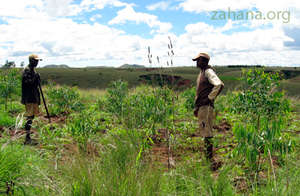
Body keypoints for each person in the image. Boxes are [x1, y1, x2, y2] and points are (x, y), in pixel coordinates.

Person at [193, 53, 224, 165]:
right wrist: (197, 107)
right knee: (204, 131)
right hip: (202, 107)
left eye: (198, 60)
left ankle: (210, 160)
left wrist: (209, 98)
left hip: (206, 107)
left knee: (207, 133)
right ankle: (207, 159)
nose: (196, 63)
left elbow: (219, 84)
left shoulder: (208, 72)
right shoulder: (202, 73)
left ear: (204, 61)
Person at [21, 54, 42, 145]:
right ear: (31, 61)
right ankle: (27, 138)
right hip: (29, 97)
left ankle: (28, 137)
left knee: (32, 117)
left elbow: (35, 85)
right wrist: (35, 78)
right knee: (29, 117)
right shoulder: (27, 71)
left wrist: (37, 79)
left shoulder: (33, 70)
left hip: (33, 97)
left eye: (37, 61)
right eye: (35, 61)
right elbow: (28, 83)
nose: (37, 62)